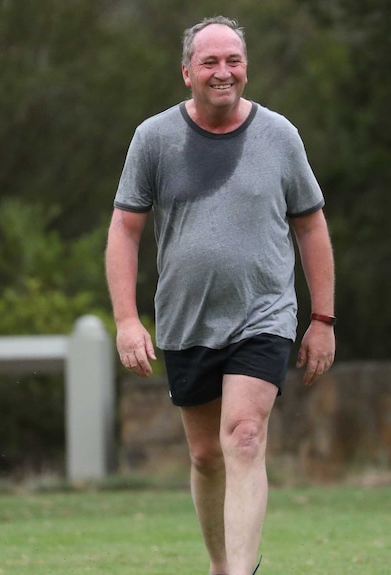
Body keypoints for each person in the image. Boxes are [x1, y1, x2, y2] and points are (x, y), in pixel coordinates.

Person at [105, 15, 336, 575]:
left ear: (246, 67)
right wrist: (127, 321)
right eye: (209, 61)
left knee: (246, 436)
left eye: (232, 59)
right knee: (207, 457)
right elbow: (125, 231)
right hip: (186, 321)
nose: (223, 71)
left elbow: (311, 226)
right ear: (187, 72)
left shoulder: (279, 137)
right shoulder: (154, 139)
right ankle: (219, 565)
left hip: (264, 315)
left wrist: (322, 318)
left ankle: (240, 572)